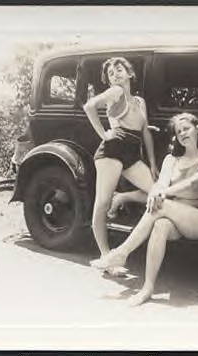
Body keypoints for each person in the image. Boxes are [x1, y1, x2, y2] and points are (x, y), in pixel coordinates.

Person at [90, 112, 198, 306]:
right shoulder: (171, 159)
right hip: (172, 217)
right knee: (160, 224)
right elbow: (159, 185)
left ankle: (122, 253)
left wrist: (163, 192)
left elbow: (195, 183)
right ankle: (147, 288)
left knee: (162, 205)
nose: (183, 133)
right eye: (178, 132)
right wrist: (158, 191)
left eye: (187, 128)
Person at [83, 57, 158, 275]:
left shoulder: (140, 101)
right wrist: (104, 133)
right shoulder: (115, 92)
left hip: (132, 155)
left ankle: (122, 197)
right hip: (112, 152)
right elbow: (89, 106)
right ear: (108, 80)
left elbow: (145, 132)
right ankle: (107, 256)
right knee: (102, 204)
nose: (115, 74)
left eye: (119, 69)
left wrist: (152, 163)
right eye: (111, 73)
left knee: (158, 193)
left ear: (129, 73)